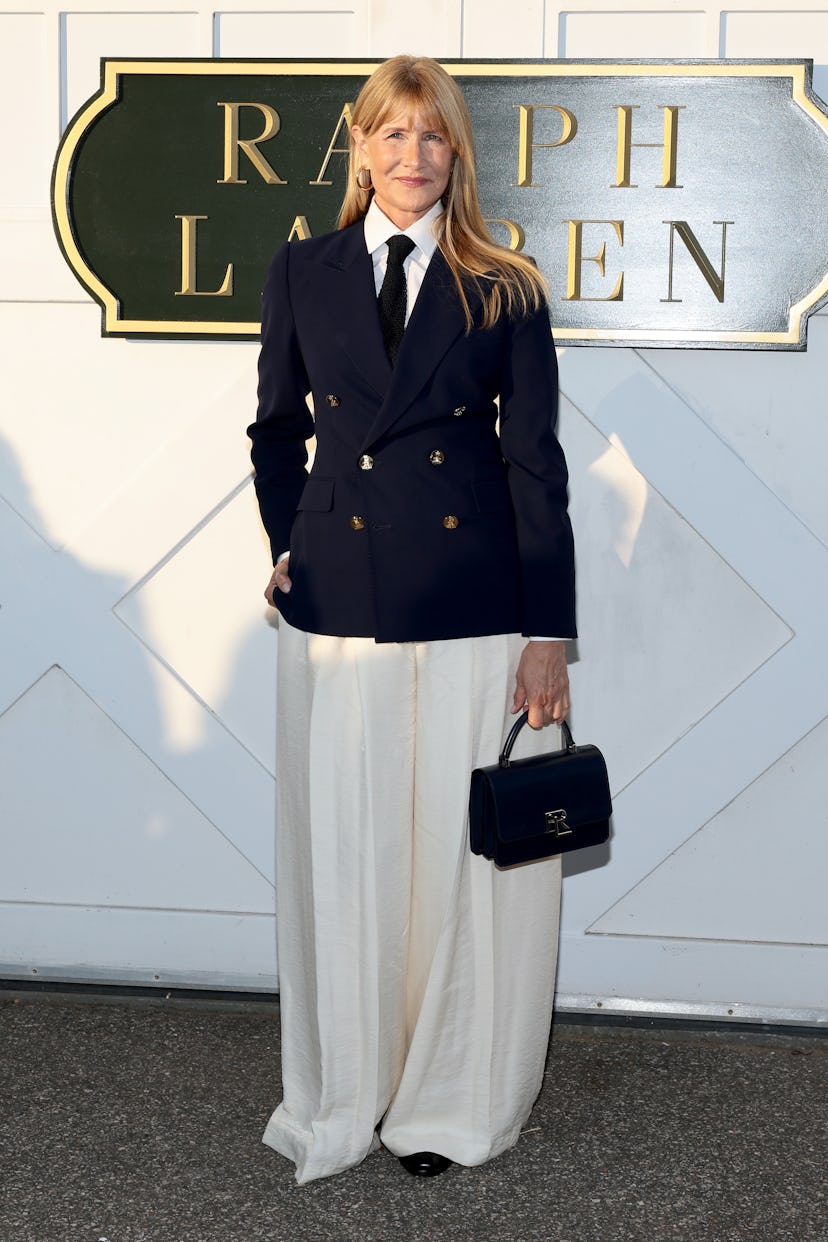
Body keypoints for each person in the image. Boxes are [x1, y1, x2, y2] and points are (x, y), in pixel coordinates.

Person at [248, 54, 576, 1185]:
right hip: (337, 599)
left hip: (475, 601)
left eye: (432, 137)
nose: (412, 156)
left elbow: (536, 466)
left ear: (456, 155)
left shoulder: (506, 284)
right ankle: (347, 1092)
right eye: (392, 135)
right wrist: (288, 539)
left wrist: (550, 630)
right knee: (345, 849)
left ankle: (447, 1099)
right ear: (361, 147)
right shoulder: (304, 269)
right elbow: (273, 429)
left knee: (459, 857)